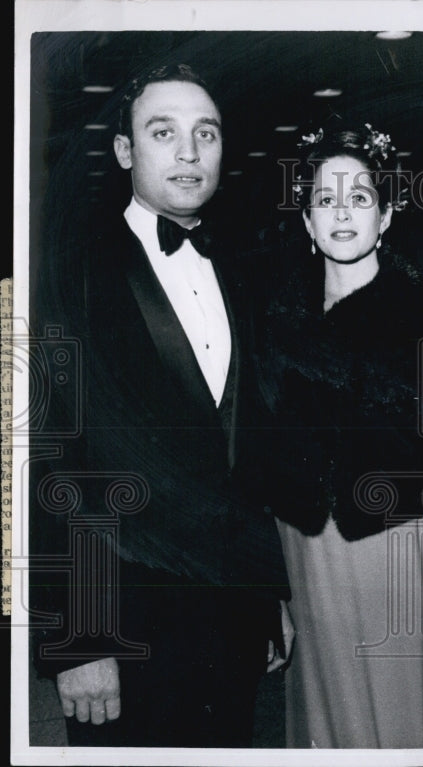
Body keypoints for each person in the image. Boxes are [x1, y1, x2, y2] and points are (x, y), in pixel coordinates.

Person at [29, 63, 292, 747]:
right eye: (163, 131)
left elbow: (249, 450)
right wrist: (79, 637)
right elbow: (55, 459)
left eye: (205, 133)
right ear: (125, 152)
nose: (188, 152)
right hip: (124, 624)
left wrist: (269, 599)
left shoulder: (240, 268)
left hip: (234, 617)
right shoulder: (70, 270)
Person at [255, 123, 423, 748]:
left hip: (403, 559)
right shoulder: (274, 323)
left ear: (388, 215)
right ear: (308, 222)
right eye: (325, 200)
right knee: (327, 731)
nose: (343, 213)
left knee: (404, 733)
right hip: (307, 565)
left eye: (360, 197)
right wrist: (270, 591)